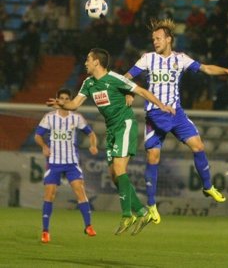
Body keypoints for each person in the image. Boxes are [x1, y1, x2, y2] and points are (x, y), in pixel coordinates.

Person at [46, 48, 175, 236]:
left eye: (88, 59)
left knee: (119, 167)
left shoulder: (114, 78)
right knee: (114, 175)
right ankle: (142, 211)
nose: (85, 63)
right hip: (112, 130)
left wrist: (162, 106)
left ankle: (126, 215)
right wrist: (59, 104)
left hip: (125, 124)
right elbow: (74, 105)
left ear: (97, 62)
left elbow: (140, 90)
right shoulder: (88, 83)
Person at [124, 18, 228, 224]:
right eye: (153, 39)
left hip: (175, 113)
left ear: (169, 39)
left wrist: (225, 71)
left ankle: (207, 186)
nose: (155, 42)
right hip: (155, 114)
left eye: (158, 38)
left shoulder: (181, 58)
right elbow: (127, 76)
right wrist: (128, 91)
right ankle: (151, 206)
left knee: (198, 145)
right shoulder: (147, 59)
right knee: (153, 157)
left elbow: (206, 68)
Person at [35, 88, 98, 243]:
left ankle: (88, 226)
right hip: (54, 163)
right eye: (61, 98)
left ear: (70, 101)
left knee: (80, 192)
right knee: (49, 194)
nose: (63, 100)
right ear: (57, 100)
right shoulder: (49, 118)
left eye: (66, 98)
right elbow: (38, 135)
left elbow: (91, 133)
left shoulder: (76, 118)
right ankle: (45, 231)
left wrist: (93, 145)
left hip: (71, 163)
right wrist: (44, 146)